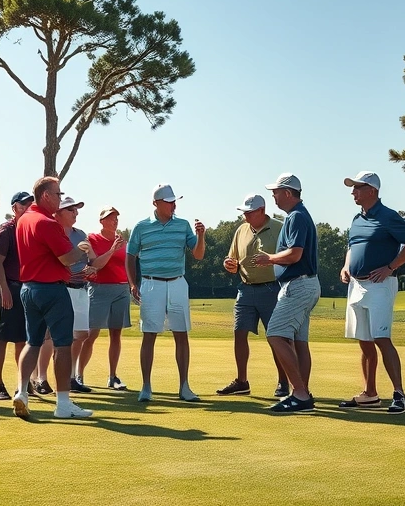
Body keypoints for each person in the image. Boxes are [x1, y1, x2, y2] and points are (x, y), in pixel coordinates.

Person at [10, 177, 94, 419]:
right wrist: (83, 249)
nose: (60, 197)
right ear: (46, 196)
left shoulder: (24, 219)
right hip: (52, 290)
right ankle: (63, 404)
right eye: (58, 194)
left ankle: (22, 392)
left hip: (28, 289)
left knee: (32, 342)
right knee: (62, 344)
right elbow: (67, 258)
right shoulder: (47, 222)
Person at [339, 171, 405, 414]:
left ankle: (399, 394)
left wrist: (391, 267)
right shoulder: (356, 218)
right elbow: (352, 247)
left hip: (380, 286)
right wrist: (346, 266)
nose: (353, 192)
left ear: (372, 191)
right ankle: (370, 394)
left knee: (382, 339)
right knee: (364, 341)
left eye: (357, 188)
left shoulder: (388, 216)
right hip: (357, 285)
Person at [126, 184, 206, 403]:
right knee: (149, 335)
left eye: (174, 201)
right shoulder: (141, 227)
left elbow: (198, 255)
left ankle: (184, 387)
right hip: (151, 285)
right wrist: (133, 284)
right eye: (169, 201)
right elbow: (130, 256)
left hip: (178, 283)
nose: (173, 204)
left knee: (181, 334)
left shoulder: (183, 225)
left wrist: (201, 236)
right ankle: (146, 387)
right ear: (156, 203)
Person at [252, 175, 322, 413]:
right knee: (299, 342)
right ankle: (302, 394)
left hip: (298, 285)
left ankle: (300, 394)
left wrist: (269, 258)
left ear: (289, 193)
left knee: (276, 335)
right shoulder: (297, 215)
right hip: (304, 284)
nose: (274, 196)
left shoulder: (297, 217)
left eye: (277, 192)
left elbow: (294, 254)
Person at [217, 193, 288, 398]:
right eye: (244, 212)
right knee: (239, 333)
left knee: (276, 337)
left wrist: (272, 261)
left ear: (262, 211)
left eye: (249, 212)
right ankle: (242, 381)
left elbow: (290, 256)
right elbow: (232, 259)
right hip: (245, 288)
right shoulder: (241, 230)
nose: (245, 216)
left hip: (272, 289)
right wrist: (229, 264)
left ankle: (283, 381)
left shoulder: (279, 227)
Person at [0, 191, 34, 400]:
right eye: (24, 205)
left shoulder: (29, 230)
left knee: (22, 339)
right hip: (9, 287)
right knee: (3, 337)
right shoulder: (5, 231)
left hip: (25, 288)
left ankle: (22, 384)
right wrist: (4, 288)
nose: (28, 208)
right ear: (14, 208)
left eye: (30, 205)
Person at [81, 206, 130, 390]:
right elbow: (96, 265)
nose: (114, 221)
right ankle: (79, 375)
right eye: (110, 218)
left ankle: (112, 377)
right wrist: (112, 249)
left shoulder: (122, 242)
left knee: (116, 334)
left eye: (116, 218)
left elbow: (126, 264)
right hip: (99, 289)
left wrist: (131, 284)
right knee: (91, 334)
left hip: (121, 290)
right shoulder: (92, 238)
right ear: (101, 221)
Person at [53, 195, 96, 393]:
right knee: (61, 337)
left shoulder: (81, 234)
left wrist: (91, 268)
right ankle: (47, 379)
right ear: (59, 212)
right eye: (71, 209)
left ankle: (71, 377)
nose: (75, 213)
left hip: (82, 288)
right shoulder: (53, 232)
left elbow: (92, 259)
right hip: (62, 287)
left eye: (76, 209)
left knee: (81, 334)